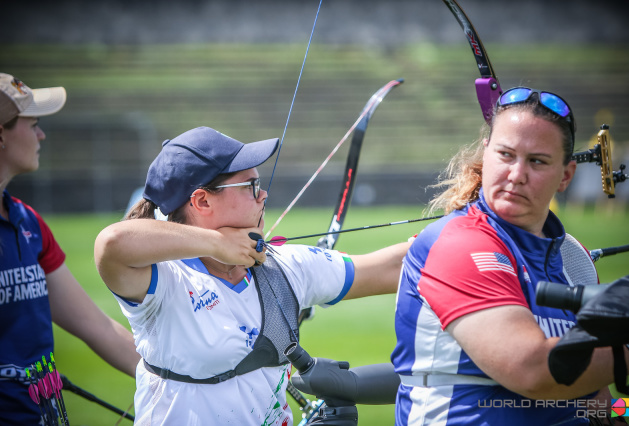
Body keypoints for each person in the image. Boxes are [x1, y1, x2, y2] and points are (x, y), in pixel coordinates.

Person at [94, 125, 409, 425]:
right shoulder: (164, 280)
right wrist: (219, 244)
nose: (264, 195)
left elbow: (397, 267)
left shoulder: (285, 267)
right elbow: (112, 243)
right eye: (251, 186)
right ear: (202, 200)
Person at [391, 87, 629, 425]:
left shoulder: (572, 259)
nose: (516, 174)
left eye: (537, 161)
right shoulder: (463, 244)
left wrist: (618, 415)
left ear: (565, 176)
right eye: (506, 155)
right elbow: (532, 370)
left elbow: (597, 399)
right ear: (486, 154)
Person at [0, 73, 141, 425]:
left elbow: (96, 327)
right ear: (1, 132)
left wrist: (183, 377)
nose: (41, 134)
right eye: (32, 124)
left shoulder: (27, 221)